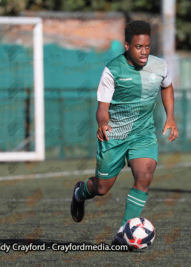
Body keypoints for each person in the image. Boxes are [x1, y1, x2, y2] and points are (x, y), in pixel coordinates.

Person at [70, 20, 178, 245]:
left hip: (143, 134)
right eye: (139, 47)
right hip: (114, 135)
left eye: (148, 47)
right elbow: (102, 108)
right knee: (102, 188)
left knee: (145, 175)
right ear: (127, 46)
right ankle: (80, 192)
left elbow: (167, 87)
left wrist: (170, 117)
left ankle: (123, 233)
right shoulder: (112, 70)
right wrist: (102, 124)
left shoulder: (160, 66)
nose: (144, 52)